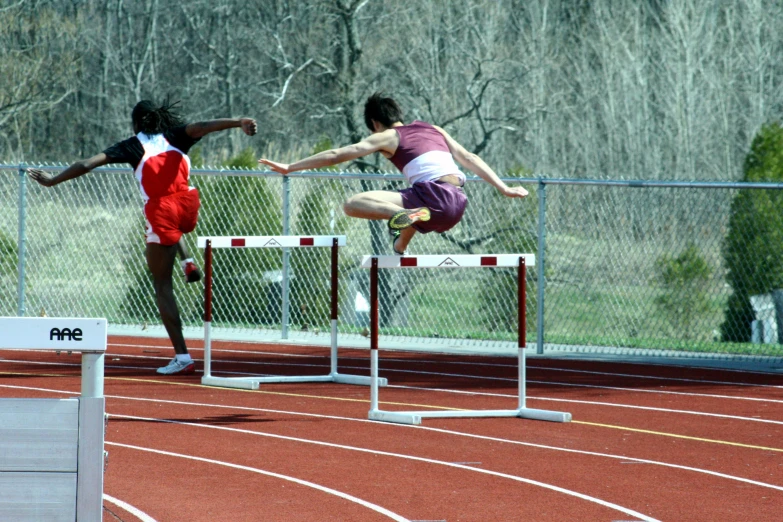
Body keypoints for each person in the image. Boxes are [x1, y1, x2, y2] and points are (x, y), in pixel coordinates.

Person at [27, 99, 257, 375]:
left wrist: (52, 180)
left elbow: (87, 163)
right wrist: (239, 120)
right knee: (171, 230)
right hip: (188, 203)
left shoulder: (132, 145)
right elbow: (205, 126)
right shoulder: (177, 136)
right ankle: (187, 260)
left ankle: (182, 356)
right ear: (159, 119)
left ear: (136, 123)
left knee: (162, 285)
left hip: (161, 209)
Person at [258, 92, 528, 254]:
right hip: (457, 204)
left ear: (375, 123)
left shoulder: (387, 136)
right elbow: (469, 157)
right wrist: (504, 188)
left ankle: (398, 219)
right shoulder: (433, 128)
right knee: (411, 211)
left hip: (430, 196)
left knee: (352, 204)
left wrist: (290, 167)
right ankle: (400, 246)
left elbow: (336, 155)